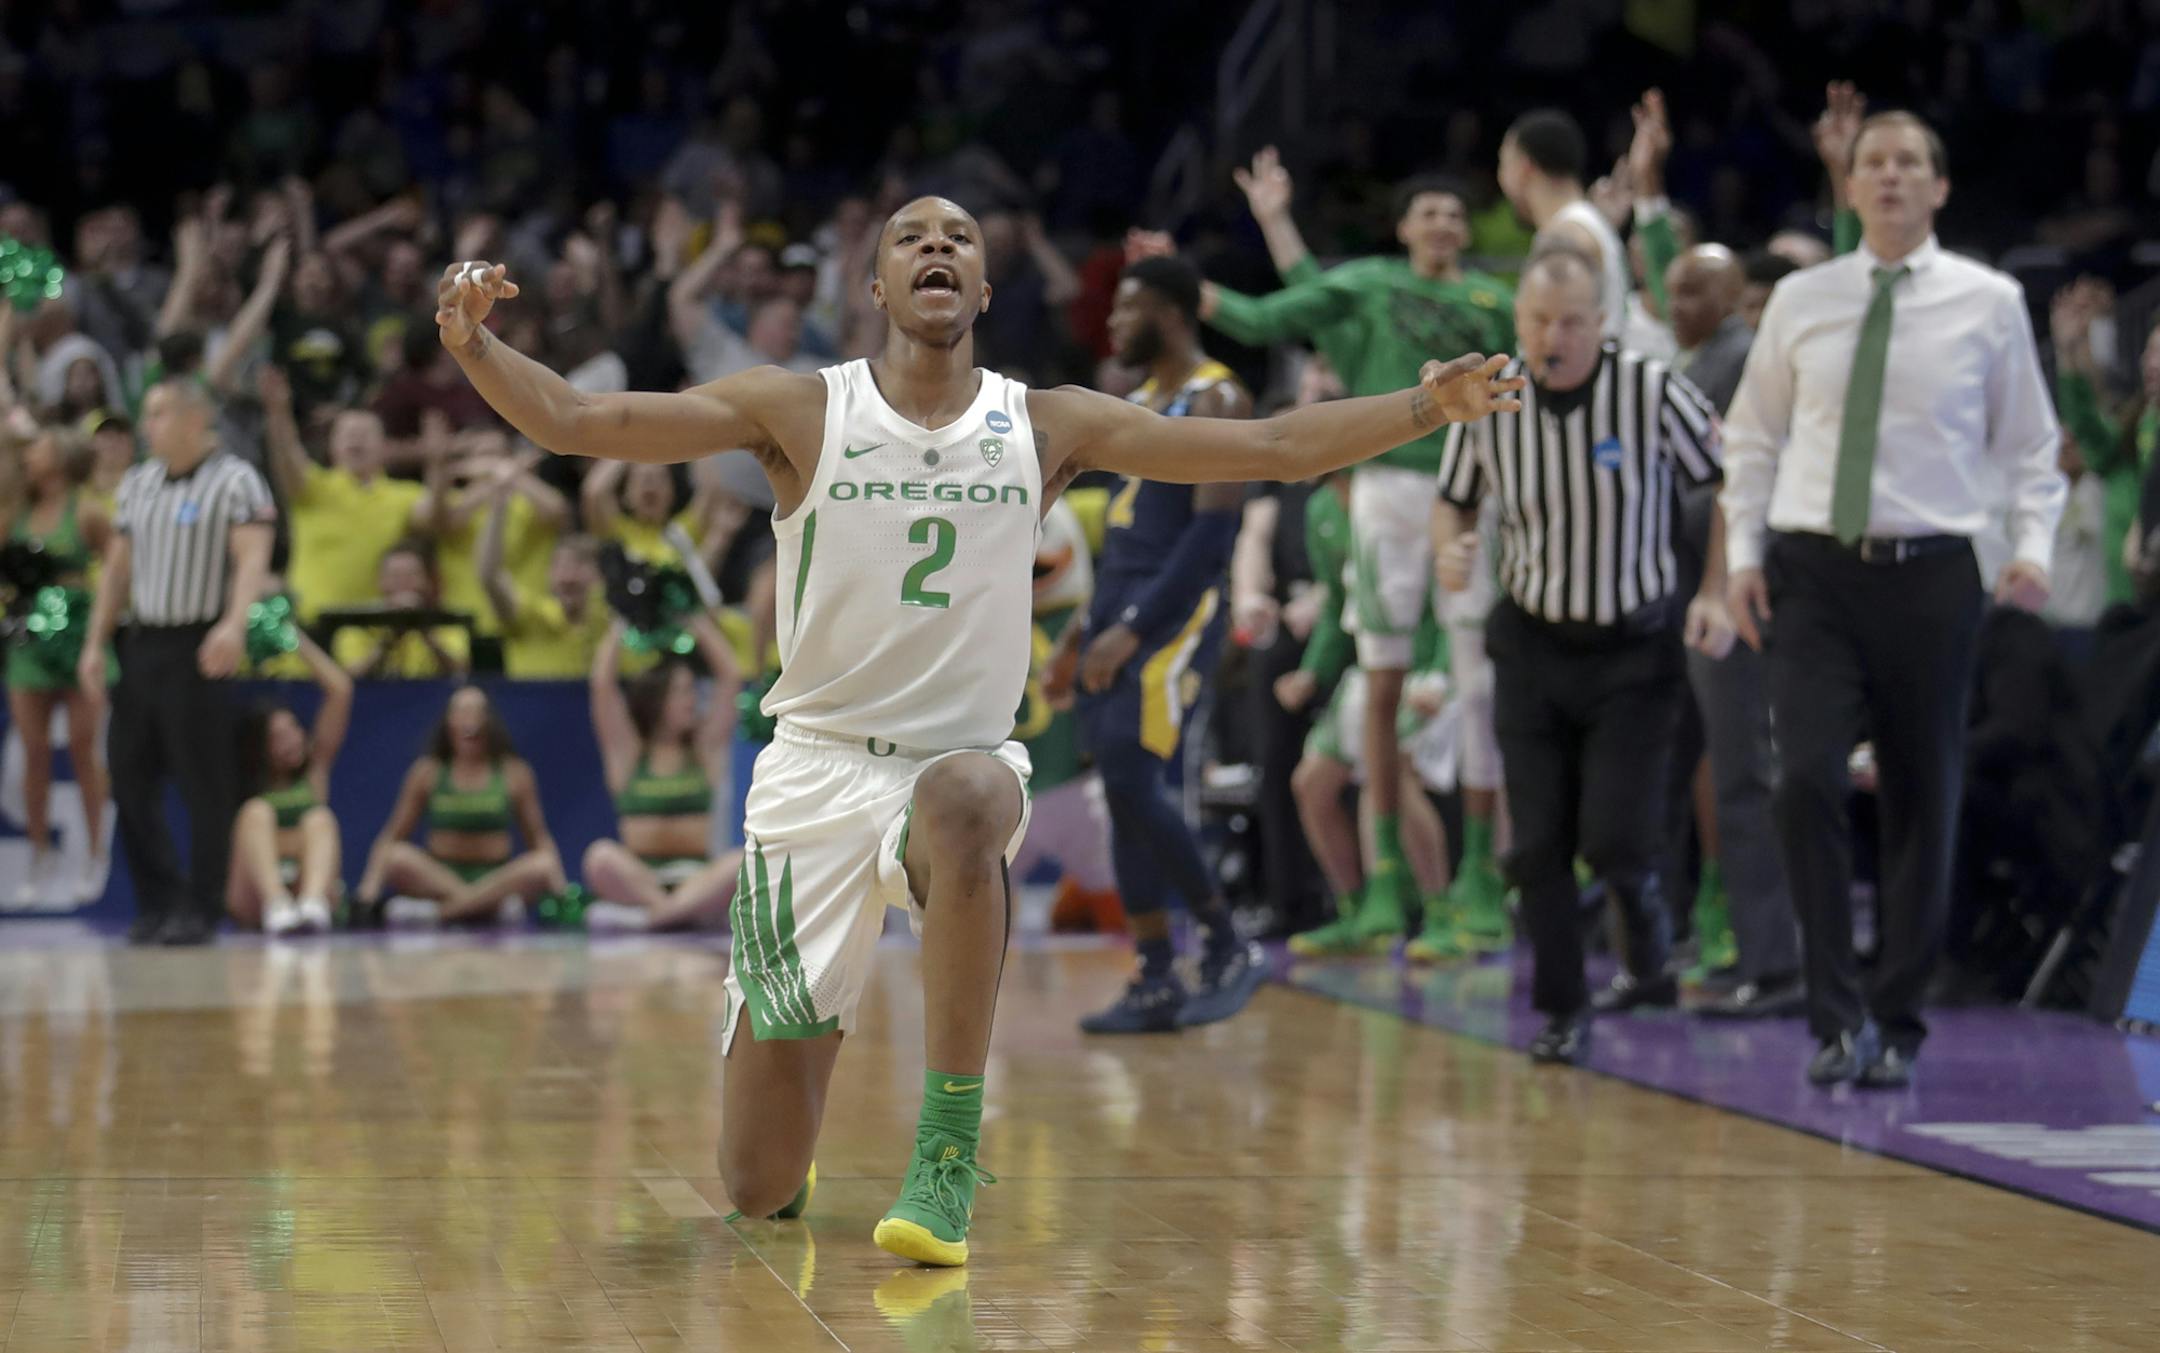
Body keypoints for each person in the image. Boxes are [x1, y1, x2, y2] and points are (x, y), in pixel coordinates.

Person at [432, 197, 1518, 1266]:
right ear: (878, 285)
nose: (936, 247)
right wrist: (474, 344)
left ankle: (946, 1154)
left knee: (966, 799)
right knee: (755, 1187)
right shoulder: (802, 408)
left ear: (984, 289)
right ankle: (801, 1099)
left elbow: (1274, 445)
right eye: (911, 236)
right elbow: (579, 422)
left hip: (956, 768)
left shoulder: (1047, 422)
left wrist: (1425, 409)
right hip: (812, 773)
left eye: (959, 239)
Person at [1722, 111, 2066, 1089]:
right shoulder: (1800, 298)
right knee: (1806, 781)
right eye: (1872, 161)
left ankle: (1896, 1017)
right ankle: (1835, 1015)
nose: (1888, 176)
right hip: (1812, 566)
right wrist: (1743, 554)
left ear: (1939, 188)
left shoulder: (1989, 301)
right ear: (1850, 183)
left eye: (1909, 162)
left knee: (1925, 795)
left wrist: (2029, 550)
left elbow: (2030, 450)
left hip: (1934, 573)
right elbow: (1751, 439)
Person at [1200, 152, 1515, 954]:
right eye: (1428, 210)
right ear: (1404, 226)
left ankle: (1479, 883)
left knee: (1475, 683)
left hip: (1474, 488)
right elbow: (1280, 313)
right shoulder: (1371, 285)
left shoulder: (1495, 302)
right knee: (1380, 680)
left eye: (1454, 212)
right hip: (1385, 492)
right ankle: (1382, 890)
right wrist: (1196, 292)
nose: (1442, 222)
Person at [1434, 248, 1728, 1065]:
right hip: (1531, 642)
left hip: (1634, 649)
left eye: (1569, 320)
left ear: (1602, 322)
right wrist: (1451, 552)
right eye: (1536, 320)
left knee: (1615, 840)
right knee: (1535, 847)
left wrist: (1716, 584)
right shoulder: (1490, 400)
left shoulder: (1651, 388)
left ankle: (1647, 935)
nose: (1551, 336)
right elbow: (1453, 504)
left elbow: (1728, 477)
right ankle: (1563, 1009)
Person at [1043, 256, 1266, 1034]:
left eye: (1124, 311)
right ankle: (1156, 975)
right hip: (1121, 614)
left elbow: (1209, 537)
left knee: (1137, 782)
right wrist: (1080, 634)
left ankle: (1227, 941)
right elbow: (1127, 545)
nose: (1110, 326)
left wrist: (1132, 631)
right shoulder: (1136, 403)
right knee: (1122, 796)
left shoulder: (1218, 395)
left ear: (1169, 313)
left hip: (1177, 622)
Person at [79, 378, 277, 945]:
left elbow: (251, 558)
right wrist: (95, 643)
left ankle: (201, 905)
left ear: (196, 420)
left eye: (159, 414)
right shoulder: (139, 483)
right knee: (129, 777)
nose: (147, 426)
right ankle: (157, 901)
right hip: (142, 643)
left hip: (200, 642)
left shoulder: (235, 479)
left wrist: (234, 623)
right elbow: (117, 571)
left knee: (203, 782)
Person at [1662, 245, 1803, 1018]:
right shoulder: (1703, 356)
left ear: (1735, 296)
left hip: (1741, 591)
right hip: (1702, 591)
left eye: (1695, 289)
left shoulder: (1740, 356)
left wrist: (1717, 584)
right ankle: (1738, 947)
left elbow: (1727, 487)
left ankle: (1772, 962)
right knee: (1715, 772)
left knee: (1744, 774)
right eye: (1674, 288)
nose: (1677, 300)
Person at [581, 614, 745, 930]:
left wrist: (692, 618)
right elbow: (602, 685)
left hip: (696, 880)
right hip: (639, 881)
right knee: (600, 857)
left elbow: (730, 677)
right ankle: (675, 914)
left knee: (740, 861)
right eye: (681, 691)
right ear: (657, 699)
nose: (692, 700)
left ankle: (652, 919)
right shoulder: (629, 756)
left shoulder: (703, 751)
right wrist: (621, 621)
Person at [6, 425, 113, 905]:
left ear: (64, 455)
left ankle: (95, 850)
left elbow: (118, 565)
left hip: (78, 628)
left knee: (85, 749)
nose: (32, 456)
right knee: (34, 753)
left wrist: (103, 629)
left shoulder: (88, 511)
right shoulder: (15, 511)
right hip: (30, 631)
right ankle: (39, 852)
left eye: (40, 448)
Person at [355, 684, 567, 926]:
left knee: (542, 864)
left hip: (496, 877)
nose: (470, 719)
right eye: (462, 711)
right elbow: (392, 835)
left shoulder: (514, 772)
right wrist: (367, 895)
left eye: (477, 712)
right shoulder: (427, 772)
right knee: (396, 856)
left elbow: (538, 837)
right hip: (439, 879)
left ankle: (441, 913)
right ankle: (487, 908)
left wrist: (561, 891)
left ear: (490, 722)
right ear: (448, 723)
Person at [228, 631, 350, 934]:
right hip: (253, 897)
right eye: (277, 738)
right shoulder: (243, 782)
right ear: (258, 748)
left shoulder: (314, 772)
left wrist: (287, 633)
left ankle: (312, 904)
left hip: (306, 882)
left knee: (319, 818)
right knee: (257, 813)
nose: (291, 741)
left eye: (293, 729)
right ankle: (276, 904)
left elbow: (341, 690)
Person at [1498, 109, 1630, 339]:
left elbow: (1557, 341)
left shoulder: (1567, 234)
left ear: (1524, 167)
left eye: (1502, 163)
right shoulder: (1586, 222)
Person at [478, 478, 608, 680]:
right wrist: (498, 507)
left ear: (599, 577)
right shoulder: (532, 617)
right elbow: (490, 576)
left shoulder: (608, 623)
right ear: (549, 575)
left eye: (580, 565)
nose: (569, 575)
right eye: (561, 566)